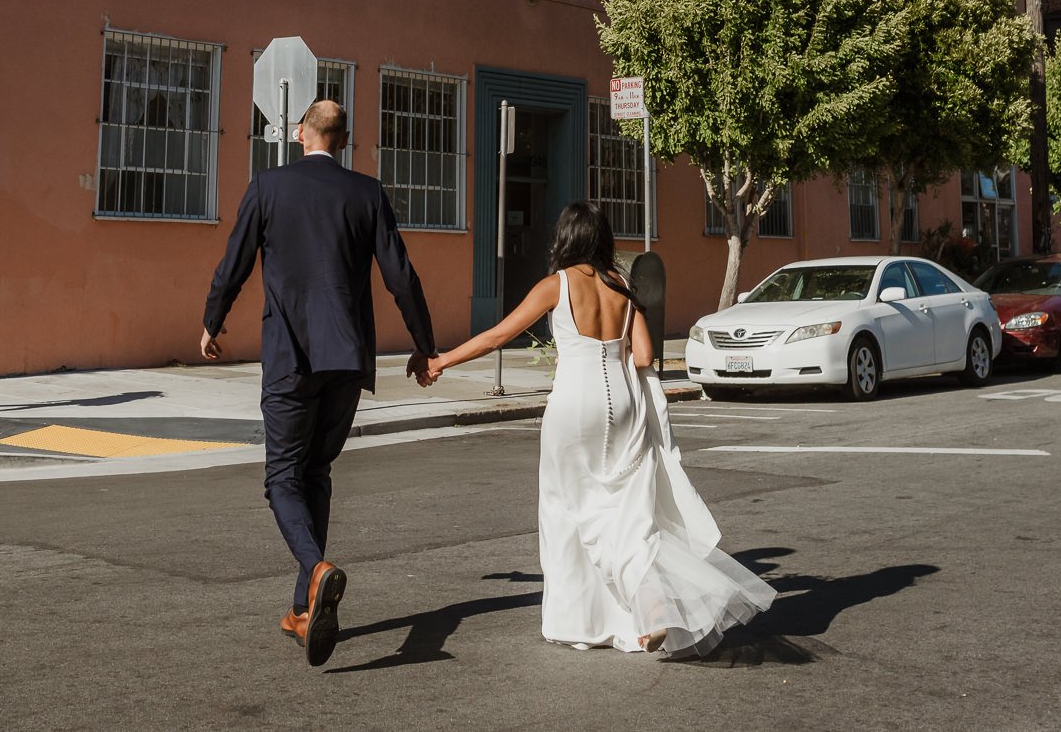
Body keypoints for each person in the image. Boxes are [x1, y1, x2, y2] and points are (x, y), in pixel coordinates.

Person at [429, 201, 773, 657]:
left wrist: (441, 361)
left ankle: (581, 619)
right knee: (627, 517)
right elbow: (646, 356)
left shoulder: (557, 285)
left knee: (566, 510)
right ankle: (650, 611)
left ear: (566, 239)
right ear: (603, 240)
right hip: (624, 405)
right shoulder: (623, 286)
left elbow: (497, 335)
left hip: (575, 406)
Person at [203, 98, 437, 667]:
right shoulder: (366, 193)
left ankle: (318, 569)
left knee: (282, 477)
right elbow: (400, 274)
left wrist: (213, 318)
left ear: (301, 133)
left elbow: (234, 262)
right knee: (318, 472)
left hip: (291, 358)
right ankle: (305, 607)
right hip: (348, 359)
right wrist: (423, 344)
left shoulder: (268, 186)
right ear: (343, 139)